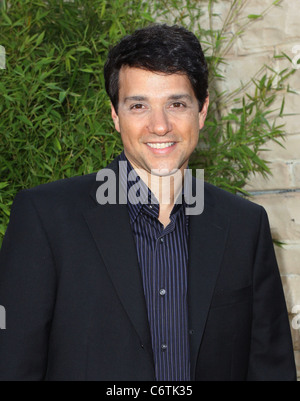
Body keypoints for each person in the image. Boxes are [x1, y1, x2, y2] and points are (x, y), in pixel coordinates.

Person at [0, 24, 296, 381]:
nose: (160, 125)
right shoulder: (45, 218)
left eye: (176, 103)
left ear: (202, 111)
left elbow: (270, 369)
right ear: (115, 115)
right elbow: (13, 366)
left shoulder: (245, 226)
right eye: (138, 105)